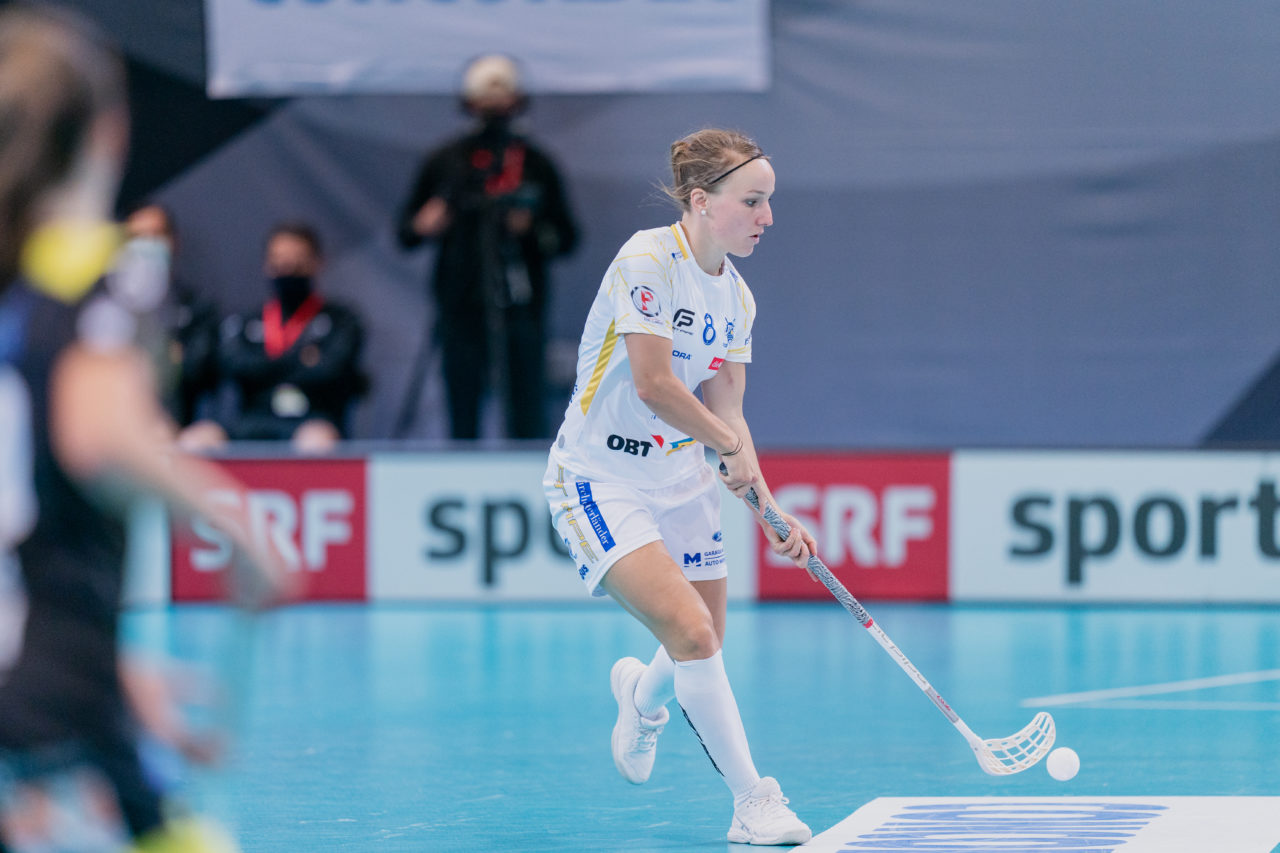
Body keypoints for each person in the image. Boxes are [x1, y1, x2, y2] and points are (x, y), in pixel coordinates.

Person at [0, 6, 292, 851]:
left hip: (63, 676)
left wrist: (122, 677)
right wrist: (242, 530)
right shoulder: (97, 265)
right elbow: (99, 433)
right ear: (110, 131)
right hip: (45, 683)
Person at [542, 128, 816, 846]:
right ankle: (753, 800)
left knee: (704, 637)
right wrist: (723, 443)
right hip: (602, 478)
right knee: (693, 632)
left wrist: (766, 504)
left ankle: (640, 696)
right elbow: (657, 385)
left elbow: (729, 414)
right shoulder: (647, 260)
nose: (767, 217)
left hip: (680, 477)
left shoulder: (739, 300)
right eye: (752, 201)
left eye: (769, 202)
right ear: (702, 200)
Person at [397, 53, 578, 440]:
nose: (494, 111)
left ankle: (528, 486)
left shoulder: (535, 164)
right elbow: (406, 234)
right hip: (459, 305)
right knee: (462, 405)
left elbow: (567, 239)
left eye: (502, 100)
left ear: (517, 102)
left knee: (525, 407)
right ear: (469, 104)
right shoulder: (449, 162)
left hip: (520, 307)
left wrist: (531, 229)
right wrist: (425, 222)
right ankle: (464, 479)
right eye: (485, 101)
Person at [211, 221, 366, 453]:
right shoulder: (246, 322)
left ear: (317, 262)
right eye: (279, 260)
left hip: (314, 416)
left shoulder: (342, 320)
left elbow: (331, 368)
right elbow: (234, 366)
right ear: (267, 264)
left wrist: (264, 363)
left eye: (296, 260)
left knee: (316, 441)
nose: (287, 268)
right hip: (253, 416)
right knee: (200, 438)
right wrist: (300, 358)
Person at [121, 202, 222, 440]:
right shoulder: (107, 310)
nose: (146, 246)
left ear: (174, 241)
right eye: (137, 237)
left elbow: (196, 369)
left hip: (182, 426)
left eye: (156, 236)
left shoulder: (199, 309)